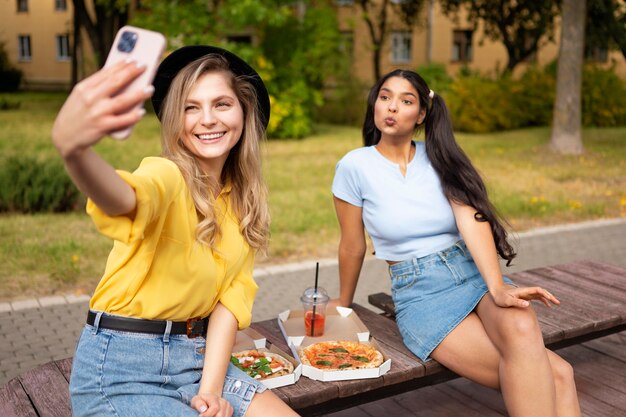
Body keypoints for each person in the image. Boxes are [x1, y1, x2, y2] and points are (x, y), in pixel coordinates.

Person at [52, 45, 299, 417]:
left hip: (198, 361)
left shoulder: (243, 204)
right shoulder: (166, 174)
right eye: (190, 107)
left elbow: (227, 307)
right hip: (123, 368)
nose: (208, 119)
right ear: (175, 121)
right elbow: (126, 199)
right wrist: (76, 152)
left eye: (221, 104)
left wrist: (212, 391)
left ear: (244, 112)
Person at [331, 69, 581, 417]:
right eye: (385, 97)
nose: (391, 107)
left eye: (406, 101)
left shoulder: (440, 156)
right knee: (559, 374)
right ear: (374, 103)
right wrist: (342, 304)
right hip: (421, 292)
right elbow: (352, 245)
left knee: (523, 323)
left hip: (471, 273)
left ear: (420, 115)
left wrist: (496, 287)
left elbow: (471, 220)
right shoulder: (354, 166)